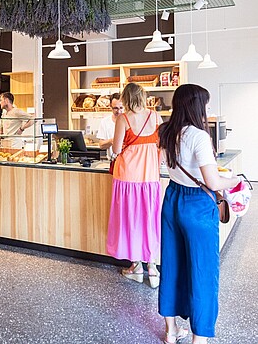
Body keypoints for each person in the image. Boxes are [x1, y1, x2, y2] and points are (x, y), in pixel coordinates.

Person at [158, 84, 242, 344]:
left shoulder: (165, 131)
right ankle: (200, 338)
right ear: (195, 106)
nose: (207, 110)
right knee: (203, 270)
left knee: (171, 264)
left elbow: (166, 164)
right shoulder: (199, 136)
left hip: (172, 198)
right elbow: (213, 182)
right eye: (205, 104)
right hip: (196, 205)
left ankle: (171, 332)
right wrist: (236, 180)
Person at [107, 82, 162, 288]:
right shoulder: (156, 117)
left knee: (131, 220)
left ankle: (136, 266)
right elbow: (161, 146)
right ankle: (153, 268)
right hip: (150, 176)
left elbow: (116, 148)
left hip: (128, 176)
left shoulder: (123, 118)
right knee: (149, 219)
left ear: (126, 98)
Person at [96, 93, 124, 159]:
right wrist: (112, 141)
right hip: (112, 161)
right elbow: (101, 145)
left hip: (126, 162)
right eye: (115, 108)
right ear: (110, 107)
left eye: (121, 108)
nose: (119, 111)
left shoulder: (129, 122)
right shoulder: (105, 122)